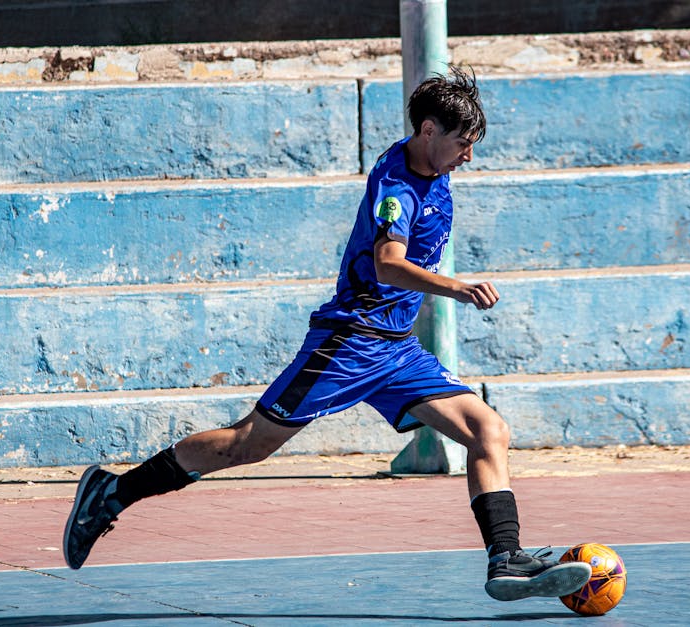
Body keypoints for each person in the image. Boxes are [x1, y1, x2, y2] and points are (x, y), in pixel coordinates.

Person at [62, 66, 591, 601]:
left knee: (488, 430)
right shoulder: (397, 189)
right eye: (462, 143)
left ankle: (505, 558)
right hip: (349, 343)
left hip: (398, 351)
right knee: (249, 444)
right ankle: (112, 492)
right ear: (428, 130)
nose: (468, 157)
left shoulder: (432, 163)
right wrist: (456, 288)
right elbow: (387, 265)